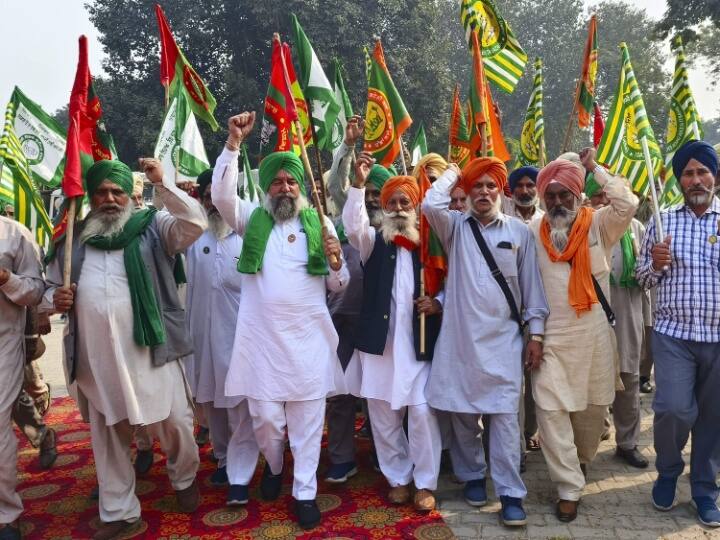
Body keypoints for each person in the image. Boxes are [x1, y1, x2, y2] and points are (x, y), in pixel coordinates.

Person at [44, 157, 206, 540]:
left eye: (117, 191)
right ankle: (119, 510)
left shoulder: (152, 226)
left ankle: (184, 478)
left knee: (177, 423)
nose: (111, 199)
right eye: (101, 192)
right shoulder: (73, 237)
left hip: (152, 350)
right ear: (91, 197)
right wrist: (56, 296)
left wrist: (162, 185)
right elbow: (46, 287)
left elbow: (195, 223)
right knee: (108, 431)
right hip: (95, 357)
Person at [211, 111, 348, 530]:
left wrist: (337, 262)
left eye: (291, 181)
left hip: (308, 341)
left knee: (308, 425)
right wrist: (233, 143)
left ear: (300, 187)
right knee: (267, 422)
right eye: (277, 181)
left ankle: (304, 492)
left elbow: (339, 284)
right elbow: (221, 196)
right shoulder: (252, 219)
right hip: (262, 344)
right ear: (266, 188)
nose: (285, 187)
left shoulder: (319, 222)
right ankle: (273, 466)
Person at [423, 157, 549, 526]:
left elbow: (533, 292)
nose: (483, 192)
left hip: (504, 344)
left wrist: (535, 335)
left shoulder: (519, 232)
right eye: (476, 186)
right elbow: (430, 203)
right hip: (459, 344)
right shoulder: (455, 227)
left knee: (506, 420)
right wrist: (456, 171)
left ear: (501, 191)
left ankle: (511, 493)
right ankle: (473, 476)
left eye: (490, 185)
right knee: (463, 417)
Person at [530, 149, 638, 522]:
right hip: (551, 338)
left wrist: (593, 168)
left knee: (591, 412)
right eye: (552, 196)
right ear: (543, 200)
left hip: (594, 337)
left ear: (578, 196)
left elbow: (628, 202)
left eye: (565, 195)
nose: (558, 202)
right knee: (549, 410)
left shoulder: (598, 224)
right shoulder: (533, 230)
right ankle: (567, 487)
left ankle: (580, 461)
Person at [343, 153, 443, 513]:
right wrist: (357, 185)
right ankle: (398, 478)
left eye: (405, 202)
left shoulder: (428, 243)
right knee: (383, 417)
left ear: (416, 207)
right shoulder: (372, 242)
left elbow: (448, 282)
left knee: (420, 413)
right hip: (380, 347)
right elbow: (353, 226)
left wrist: (438, 301)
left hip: (418, 345)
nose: (399, 208)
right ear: (383, 209)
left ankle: (425, 482)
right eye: (392, 203)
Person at [636, 140, 720, 527]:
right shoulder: (661, 219)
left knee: (713, 418)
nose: (696, 179)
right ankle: (668, 471)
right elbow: (641, 279)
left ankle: (704, 489)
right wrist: (654, 263)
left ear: (715, 178)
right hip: (673, 334)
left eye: (702, 171)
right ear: (678, 181)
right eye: (688, 173)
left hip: (717, 336)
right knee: (673, 408)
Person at [185, 169, 259, 504]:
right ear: (201, 199)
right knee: (211, 402)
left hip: (240, 339)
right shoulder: (191, 237)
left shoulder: (248, 237)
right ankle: (224, 457)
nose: (215, 205)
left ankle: (242, 465)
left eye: (221, 197)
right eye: (208, 197)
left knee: (239, 406)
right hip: (201, 336)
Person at [585, 175, 649, 469]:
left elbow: (649, 277)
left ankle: (628, 443)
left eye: (609, 195)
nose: (605, 201)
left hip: (628, 314)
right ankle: (595, 432)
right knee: (594, 381)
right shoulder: (586, 227)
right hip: (593, 318)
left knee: (629, 380)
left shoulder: (636, 228)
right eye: (598, 196)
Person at [0, 216, 45, 540]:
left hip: (3, 342)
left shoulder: (14, 234)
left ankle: (6, 515)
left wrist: (5, 278)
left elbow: (35, 291)